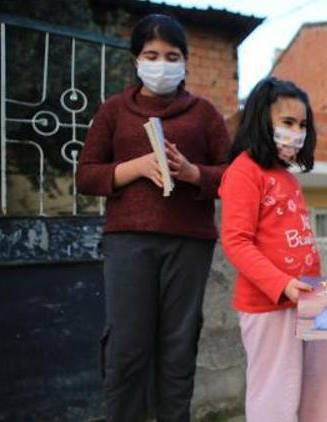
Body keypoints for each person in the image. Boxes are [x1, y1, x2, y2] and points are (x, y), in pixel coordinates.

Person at [76, 14, 230, 422]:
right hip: (128, 242)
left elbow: (234, 176)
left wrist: (193, 173)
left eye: (171, 56)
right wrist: (139, 166)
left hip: (189, 242)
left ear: (185, 62)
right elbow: (86, 174)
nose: (162, 64)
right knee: (127, 345)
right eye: (151, 54)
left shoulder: (206, 113)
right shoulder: (113, 111)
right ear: (135, 60)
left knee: (178, 346)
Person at [218, 77, 327, 422]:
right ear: (261, 120)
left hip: (312, 300)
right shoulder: (243, 171)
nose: (296, 132)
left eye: (302, 124)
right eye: (287, 122)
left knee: (318, 386)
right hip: (269, 305)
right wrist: (282, 284)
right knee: (275, 394)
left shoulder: (288, 177)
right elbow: (236, 242)